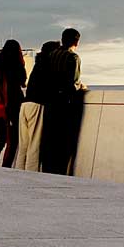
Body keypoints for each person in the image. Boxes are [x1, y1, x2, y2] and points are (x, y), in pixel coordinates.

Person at [38, 27, 87, 175]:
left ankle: (47, 169)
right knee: (62, 141)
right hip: (64, 104)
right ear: (76, 42)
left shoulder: (51, 55)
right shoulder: (73, 58)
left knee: (49, 139)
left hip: (49, 102)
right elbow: (73, 83)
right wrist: (80, 86)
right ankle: (59, 172)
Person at [15, 40, 57, 171]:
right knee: (34, 143)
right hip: (36, 105)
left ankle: (19, 171)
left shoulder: (37, 64)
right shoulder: (50, 65)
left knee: (23, 144)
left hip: (25, 105)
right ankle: (30, 175)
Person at [0, 40, 27, 167]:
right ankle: (6, 169)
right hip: (10, 106)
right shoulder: (16, 66)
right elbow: (22, 81)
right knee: (12, 142)